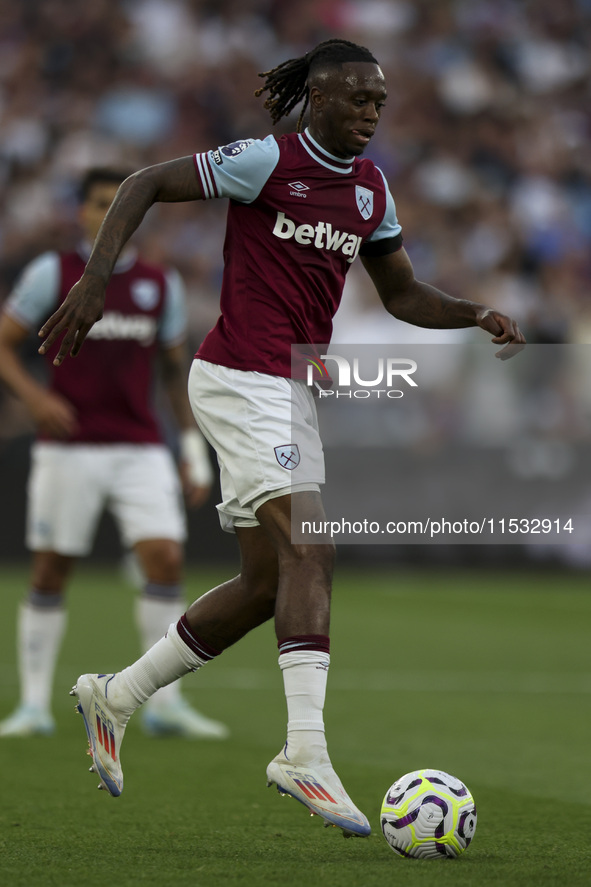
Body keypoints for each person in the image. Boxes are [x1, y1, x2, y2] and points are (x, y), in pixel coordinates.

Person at [37, 40, 525, 837]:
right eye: (358, 99)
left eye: (380, 102)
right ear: (320, 99)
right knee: (313, 546)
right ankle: (305, 750)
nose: (372, 112)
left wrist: (472, 312)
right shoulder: (266, 159)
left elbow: (400, 293)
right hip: (239, 373)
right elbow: (143, 182)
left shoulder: (370, 191)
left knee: (267, 584)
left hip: (289, 388)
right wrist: (95, 277)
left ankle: (115, 694)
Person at [0, 167, 228, 741]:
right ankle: (31, 705)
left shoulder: (160, 283)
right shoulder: (53, 273)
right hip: (68, 447)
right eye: (98, 203)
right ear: (79, 211)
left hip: (140, 446)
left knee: (166, 562)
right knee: (52, 569)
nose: (108, 213)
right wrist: (34, 400)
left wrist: (192, 451)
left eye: (116, 204)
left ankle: (164, 704)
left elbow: (173, 372)